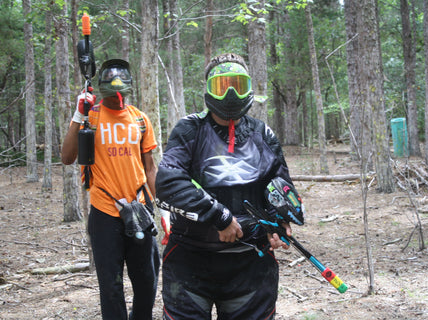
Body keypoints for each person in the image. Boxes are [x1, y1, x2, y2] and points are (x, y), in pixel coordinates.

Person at [155, 53, 304, 320]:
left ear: (249, 88)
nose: (231, 94)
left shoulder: (263, 134)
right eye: (222, 86)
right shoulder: (190, 129)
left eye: (238, 84)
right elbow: (167, 183)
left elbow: (280, 188)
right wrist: (220, 217)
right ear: (208, 89)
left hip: (251, 263)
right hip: (191, 262)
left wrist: (279, 224)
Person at [61, 59, 160, 320]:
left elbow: (150, 168)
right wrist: (78, 114)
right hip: (105, 213)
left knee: (147, 280)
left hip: (140, 209)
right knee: (111, 285)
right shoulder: (90, 117)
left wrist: (163, 208)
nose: (117, 98)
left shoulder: (140, 119)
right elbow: (67, 157)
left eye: (121, 92)